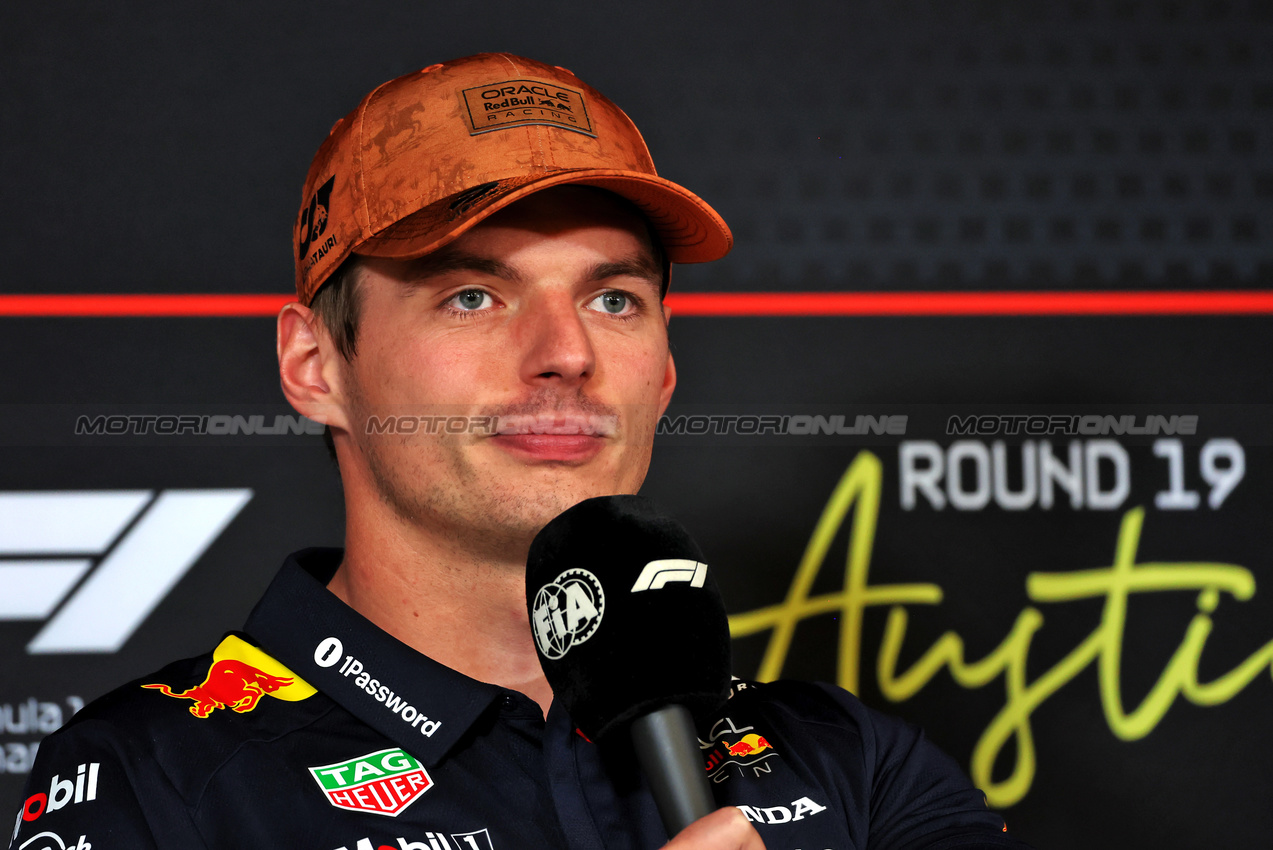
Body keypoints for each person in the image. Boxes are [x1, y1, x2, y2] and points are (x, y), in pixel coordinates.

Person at [9, 54, 1030, 850]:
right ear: (316, 364)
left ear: (664, 373)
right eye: (472, 295)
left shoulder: (842, 757)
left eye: (613, 298)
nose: (567, 353)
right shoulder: (153, 776)